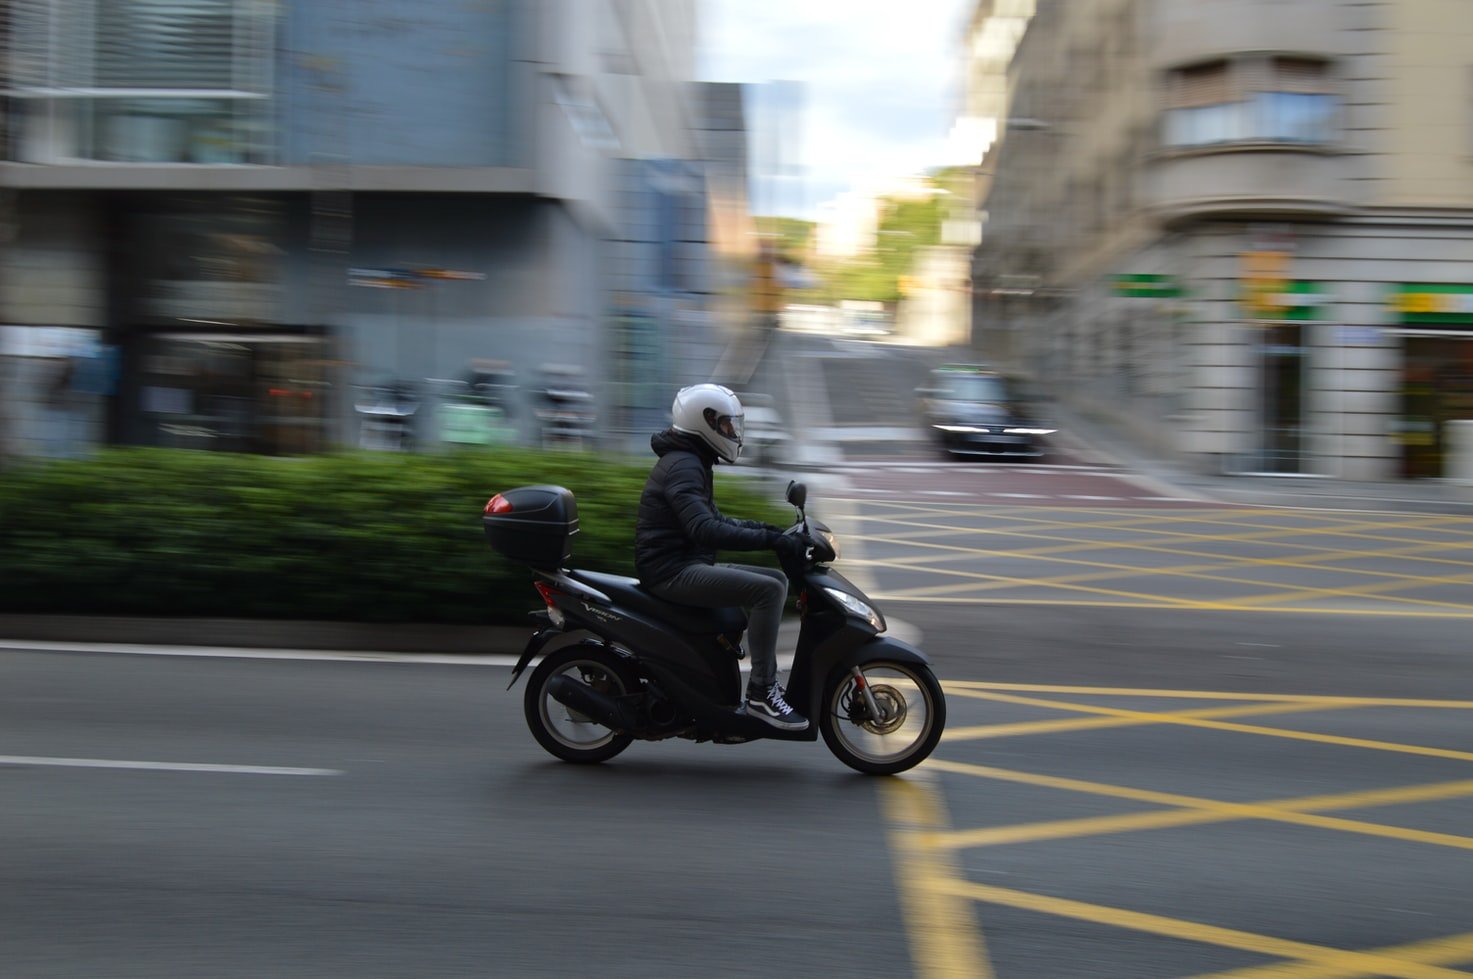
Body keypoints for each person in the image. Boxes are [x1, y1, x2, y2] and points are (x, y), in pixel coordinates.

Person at [635, 383, 810, 730]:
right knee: (769, 591)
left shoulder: (692, 460)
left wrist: (771, 531)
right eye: (727, 425)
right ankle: (762, 692)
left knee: (776, 579)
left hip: (686, 563)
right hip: (671, 571)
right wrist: (769, 541)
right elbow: (705, 530)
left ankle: (760, 687)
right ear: (706, 423)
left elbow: (714, 520)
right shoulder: (684, 465)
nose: (733, 433)